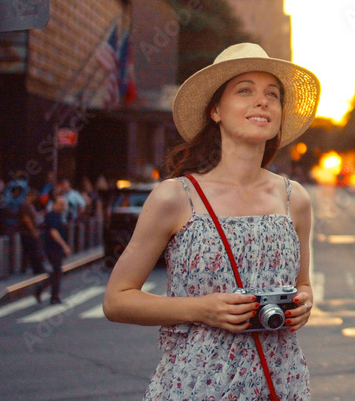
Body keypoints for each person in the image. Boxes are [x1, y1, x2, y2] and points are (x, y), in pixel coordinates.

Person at [103, 43, 318, 400]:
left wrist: (304, 304)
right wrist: (201, 308)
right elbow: (116, 300)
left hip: (279, 385)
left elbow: (304, 285)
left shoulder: (294, 198)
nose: (262, 101)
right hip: (196, 387)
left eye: (273, 94)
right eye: (245, 90)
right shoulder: (175, 197)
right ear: (216, 110)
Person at [35, 196, 72, 304]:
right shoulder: (52, 216)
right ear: (55, 204)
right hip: (52, 248)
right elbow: (53, 232)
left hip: (56, 248)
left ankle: (43, 291)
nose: (63, 207)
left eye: (64, 204)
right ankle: (53, 296)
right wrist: (64, 245)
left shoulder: (60, 216)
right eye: (61, 204)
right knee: (57, 271)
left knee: (57, 271)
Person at [18, 189, 47, 275]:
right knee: (33, 251)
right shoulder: (25, 206)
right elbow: (27, 220)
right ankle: (37, 269)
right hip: (27, 233)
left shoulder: (29, 206)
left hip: (29, 232)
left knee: (29, 251)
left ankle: (26, 268)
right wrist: (33, 231)